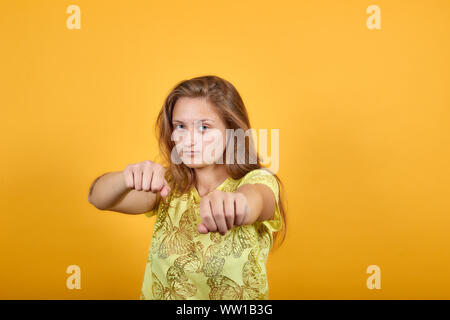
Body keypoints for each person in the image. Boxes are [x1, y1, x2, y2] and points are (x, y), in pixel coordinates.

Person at [88, 75, 287, 299]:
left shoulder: (257, 181)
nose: (189, 140)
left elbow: (255, 201)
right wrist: (127, 177)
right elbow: (97, 197)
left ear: (232, 131)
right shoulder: (168, 186)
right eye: (180, 126)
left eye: (204, 127)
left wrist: (236, 204)